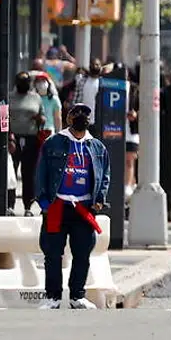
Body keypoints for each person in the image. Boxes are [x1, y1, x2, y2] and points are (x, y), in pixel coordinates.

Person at [34, 103, 110, 310]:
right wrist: (43, 203)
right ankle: (53, 297)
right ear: (68, 119)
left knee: (82, 252)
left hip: (83, 207)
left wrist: (99, 200)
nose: (82, 117)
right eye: (77, 114)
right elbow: (41, 174)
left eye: (85, 114)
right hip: (57, 205)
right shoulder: (53, 143)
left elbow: (105, 176)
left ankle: (77, 295)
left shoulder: (96, 147)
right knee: (52, 253)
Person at [8, 71, 46, 215]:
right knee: (11, 173)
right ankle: (10, 205)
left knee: (28, 174)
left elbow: (43, 117)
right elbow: (5, 116)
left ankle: (28, 206)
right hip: (13, 138)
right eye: (20, 81)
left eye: (26, 81)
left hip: (31, 138)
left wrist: (39, 119)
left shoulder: (36, 98)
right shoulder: (10, 96)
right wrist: (9, 136)